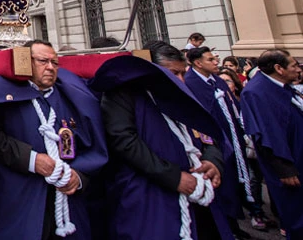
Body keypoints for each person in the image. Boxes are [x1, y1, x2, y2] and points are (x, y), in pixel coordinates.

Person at [0, 40, 108, 239]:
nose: (50, 67)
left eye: (55, 63)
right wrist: (32, 160)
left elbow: (92, 145)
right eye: (43, 61)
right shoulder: (2, 98)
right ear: (25, 62)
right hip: (20, 199)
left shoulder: (72, 99)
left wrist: (79, 176)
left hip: (67, 203)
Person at [89, 54, 233, 239]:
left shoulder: (182, 96)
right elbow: (124, 141)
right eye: (174, 73)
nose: (181, 80)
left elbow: (207, 135)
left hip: (199, 196)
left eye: (183, 73)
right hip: (151, 198)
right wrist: (174, 177)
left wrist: (213, 161)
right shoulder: (124, 94)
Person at [185, 46, 252, 238]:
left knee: (233, 184)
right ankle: (228, 227)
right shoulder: (191, 83)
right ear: (198, 63)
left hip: (233, 141)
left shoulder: (218, 81)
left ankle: (235, 224)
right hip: (214, 146)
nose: (216, 62)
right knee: (222, 187)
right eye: (210, 60)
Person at [241, 49, 303, 239]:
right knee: (298, 214)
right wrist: (284, 168)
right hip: (289, 168)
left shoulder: (282, 86)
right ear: (279, 68)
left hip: (298, 155)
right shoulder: (256, 92)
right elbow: (266, 134)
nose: (298, 69)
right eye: (293, 65)